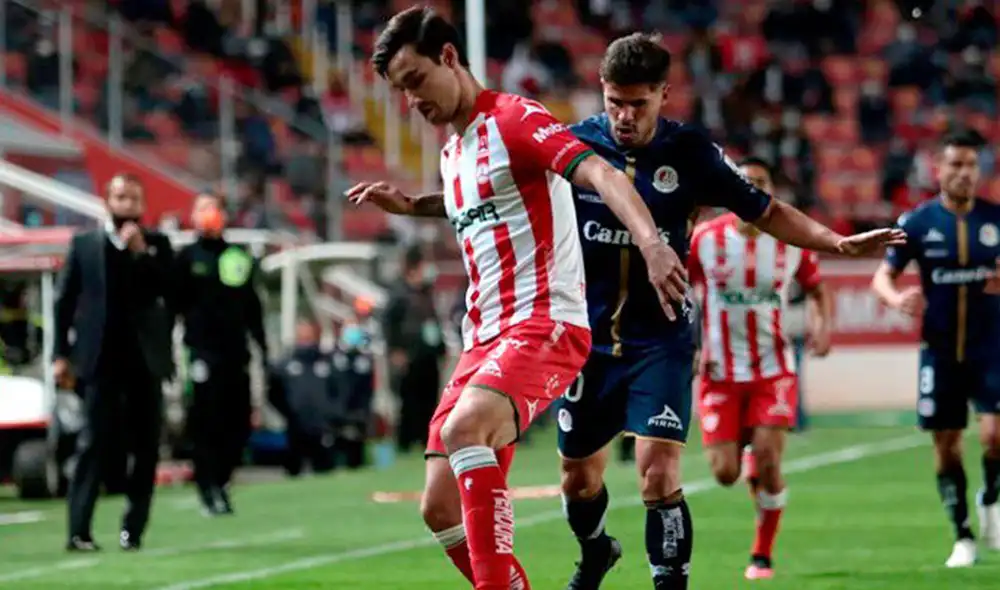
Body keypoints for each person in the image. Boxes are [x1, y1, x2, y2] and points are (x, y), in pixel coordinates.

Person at [347, 8, 690, 589]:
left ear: (450, 58)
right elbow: (479, 199)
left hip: (544, 324)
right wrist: (414, 205)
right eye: (400, 91)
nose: (411, 101)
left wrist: (653, 244)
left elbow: (603, 175)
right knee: (438, 506)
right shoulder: (454, 152)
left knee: (464, 432)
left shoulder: (516, 118)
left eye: (415, 82)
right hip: (482, 340)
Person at [555, 34, 903, 590]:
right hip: (587, 341)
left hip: (661, 340)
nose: (623, 116)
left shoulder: (690, 152)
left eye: (637, 104)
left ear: (664, 95)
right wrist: (426, 207)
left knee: (658, 472)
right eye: (614, 102)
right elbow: (501, 194)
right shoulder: (572, 145)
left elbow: (766, 211)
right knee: (577, 479)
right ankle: (596, 551)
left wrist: (835, 244)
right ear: (601, 91)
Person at [688, 158, 832, 580]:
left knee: (769, 460)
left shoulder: (788, 240)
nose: (750, 188)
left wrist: (822, 327)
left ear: (770, 189)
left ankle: (761, 554)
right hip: (719, 372)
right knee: (725, 473)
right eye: (743, 182)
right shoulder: (704, 239)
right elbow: (676, 287)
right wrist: (689, 345)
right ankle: (745, 461)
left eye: (759, 183)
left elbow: (819, 289)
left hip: (773, 369)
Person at [871, 130, 1000, 568]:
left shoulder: (996, 219)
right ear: (938, 169)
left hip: (991, 349)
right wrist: (896, 299)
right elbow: (882, 278)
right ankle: (962, 535)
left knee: (994, 436)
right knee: (946, 445)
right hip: (940, 352)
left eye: (970, 164)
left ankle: (991, 497)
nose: (963, 173)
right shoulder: (918, 222)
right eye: (955, 164)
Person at [53, 173, 174, 551]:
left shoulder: (157, 244)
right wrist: (60, 354)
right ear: (106, 201)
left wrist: (141, 254)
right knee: (93, 443)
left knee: (147, 446)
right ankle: (78, 531)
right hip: (99, 360)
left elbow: (170, 291)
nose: (128, 205)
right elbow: (64, 302)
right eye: (121, 197)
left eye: (135, 198)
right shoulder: (84, 244)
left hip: (145, 362)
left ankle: (132, 529)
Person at [172, 193, 268, 515]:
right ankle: (207, 487)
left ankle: (224, 480)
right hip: (201, 353)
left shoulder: (238, 257)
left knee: (236, 422)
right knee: (205, 421)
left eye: (213, 207)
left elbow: (252, 306)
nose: (208, 214)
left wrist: (262, 347)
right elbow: (174, 306)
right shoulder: (186, 258)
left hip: (235, 354)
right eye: (201, 208)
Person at [383, 245, 446, 453]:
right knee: (409, 400)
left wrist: (441, 349)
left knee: (429, 399)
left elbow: (434, 323)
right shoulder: (399, 294)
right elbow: (389, 324)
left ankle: (425, 439)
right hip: (409, 355)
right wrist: (395, 351)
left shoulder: (425, 292)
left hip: (428, 354)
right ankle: (406, 441)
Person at [268, 319, 340, 476]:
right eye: (301, 336)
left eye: (308, 336)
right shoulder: (285, 365)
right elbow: (273, 392)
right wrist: (288, 412)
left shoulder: (328, 363)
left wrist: (332, 413)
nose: (305, 340)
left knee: (325, 472)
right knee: (294, 471)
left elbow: (339, 391)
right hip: (295, 427)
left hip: (323, 428)